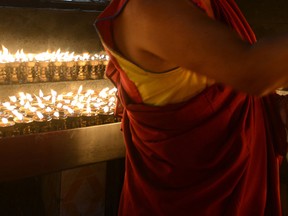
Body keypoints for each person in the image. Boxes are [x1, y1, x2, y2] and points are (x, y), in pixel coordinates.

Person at [95, 0, 288, 215]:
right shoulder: (149, 6)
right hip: (190, 203)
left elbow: (234, 86)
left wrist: (274, 108)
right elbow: (252, 72)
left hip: (244, 189)